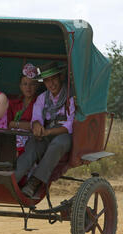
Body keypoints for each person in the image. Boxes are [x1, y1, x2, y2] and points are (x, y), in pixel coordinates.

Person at [14, 61, 75, 198]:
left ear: (60, 78)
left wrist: (48, 132)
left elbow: (69, 125)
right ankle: (14, 179)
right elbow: (36, 117)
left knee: (57, 144)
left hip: (63, 134)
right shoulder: (42, 98)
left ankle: (35, 182)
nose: (51, 84)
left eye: (54, 79)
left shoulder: (70, 97)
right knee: (34, 144)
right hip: (47, 131)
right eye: (47, 81)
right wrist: (36, 126)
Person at [7, 63, 39, 156]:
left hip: (31, 139)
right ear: (20, 86)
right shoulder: (13, 103)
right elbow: (8, 124)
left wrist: (15, 124)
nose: (28, 88)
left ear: (37, 86)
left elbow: (36, 126)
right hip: (12, 138)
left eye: (32, 84)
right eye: (25, 84)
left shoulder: (40, 102)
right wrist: (25, 125)